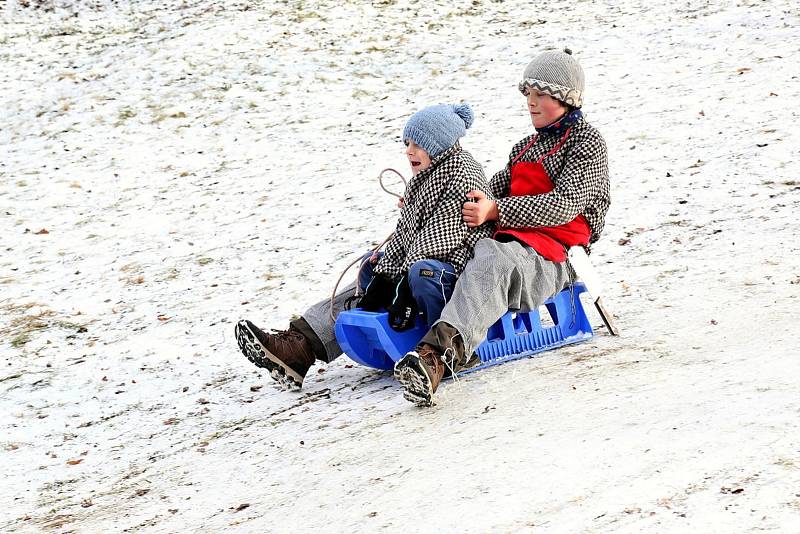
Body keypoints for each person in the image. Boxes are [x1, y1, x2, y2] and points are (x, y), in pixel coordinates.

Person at [394, 48, 611, 407]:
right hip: (508, 243)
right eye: (528, 94)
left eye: (542, 94)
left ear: (566, 98)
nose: (532, 102)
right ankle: (304, 342)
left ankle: (438, 356)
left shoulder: (587, 144)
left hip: (554, 254)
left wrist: (497, 211)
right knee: (418, 253)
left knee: (494, 254)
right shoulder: (525, 149)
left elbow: (565, 204)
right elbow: (489, 191)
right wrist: (428, 201)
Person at [235, 103, 494, 389]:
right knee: (370, 268)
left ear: (440, 144)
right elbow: (405, 233)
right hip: (424, 260)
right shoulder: (425, 178)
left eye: (418, 145)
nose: (409, 151)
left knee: (420, 272)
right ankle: (302, 346)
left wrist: (398, 277)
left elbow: (441, 235)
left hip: (456, 270)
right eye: (407, 143)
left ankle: (440, 352)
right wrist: (384, 272)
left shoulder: (463, 175)